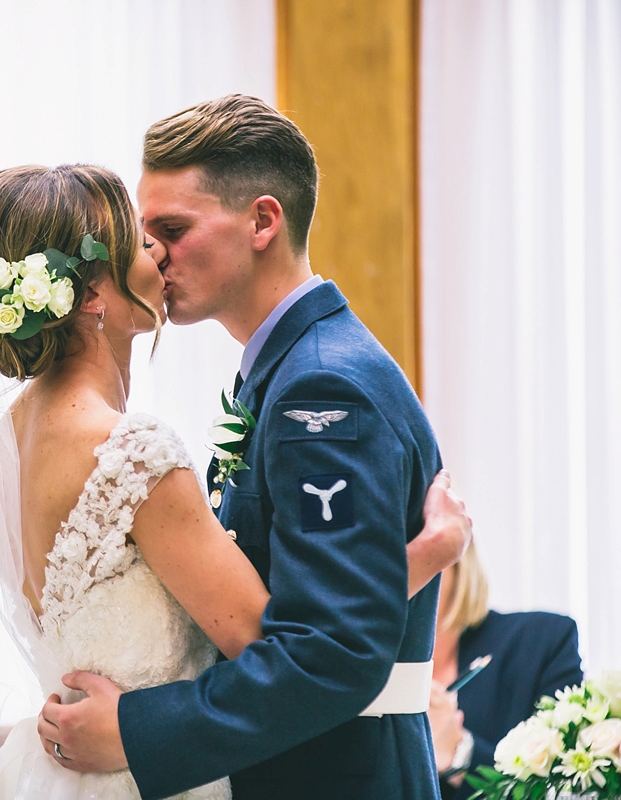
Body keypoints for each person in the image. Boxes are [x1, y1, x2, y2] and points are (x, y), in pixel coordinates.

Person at [0, 163, 471, 800]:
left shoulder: (11, 437)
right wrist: (423, 556)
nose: (159, 253)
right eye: (140, 238)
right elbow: (272, 641)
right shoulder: (133, 452)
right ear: (94, 293)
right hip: (140, 772)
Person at [39, 95, 451, 799]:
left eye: (173, 228)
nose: (152, 255)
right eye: (147, 234)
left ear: (262, 220)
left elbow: (333, 649)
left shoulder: (323, 386)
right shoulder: (286, 370)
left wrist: (137, 729)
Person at [426, 542, 583, 799]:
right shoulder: (352, 673)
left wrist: (460, 752)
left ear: (456, 558)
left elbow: (564, 790)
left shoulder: (540, 643)